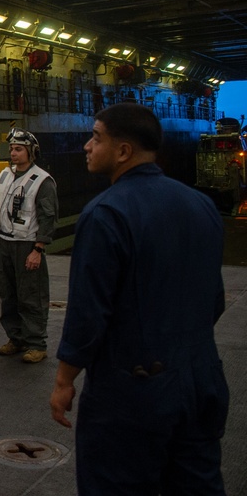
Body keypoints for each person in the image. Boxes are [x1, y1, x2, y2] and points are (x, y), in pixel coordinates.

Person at [50, 104, 229, 494]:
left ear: (123, 151)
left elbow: (88, 315)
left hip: (133, 390)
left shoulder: (105, 214)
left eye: (96, 137)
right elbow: (214, 300)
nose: (86, 146)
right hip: (202, 381)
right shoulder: (202, 206)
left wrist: (65, 380)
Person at [0, 128, 58, 363]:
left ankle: (37, 344)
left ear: (31, 152)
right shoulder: (5, 175)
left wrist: (38, 249)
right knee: (8, 295)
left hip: (26, 246)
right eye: (12, 149)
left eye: (18, 149)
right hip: (3, 242)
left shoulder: (42, 181)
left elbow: (48, 216)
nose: (13, 153)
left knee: (31, 296)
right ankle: (16, 339)